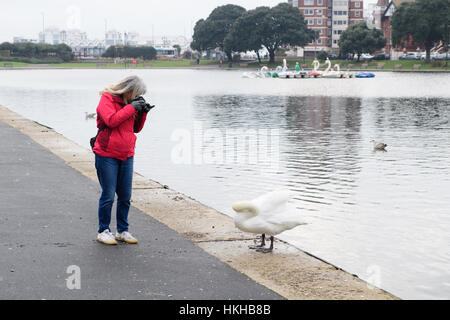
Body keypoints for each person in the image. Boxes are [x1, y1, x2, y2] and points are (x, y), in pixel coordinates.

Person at [93, 75, 151, 245]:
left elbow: (136, 129)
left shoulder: (129, 104)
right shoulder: (107, 99)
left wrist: (143, 113)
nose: (137, 97)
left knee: (125, 196)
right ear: (129, 90)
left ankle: (122, 230)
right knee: (109, 195)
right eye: (137, 94)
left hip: (126, 154)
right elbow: (111, 121)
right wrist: (132, 108)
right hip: (106, 154)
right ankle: (103, 230)